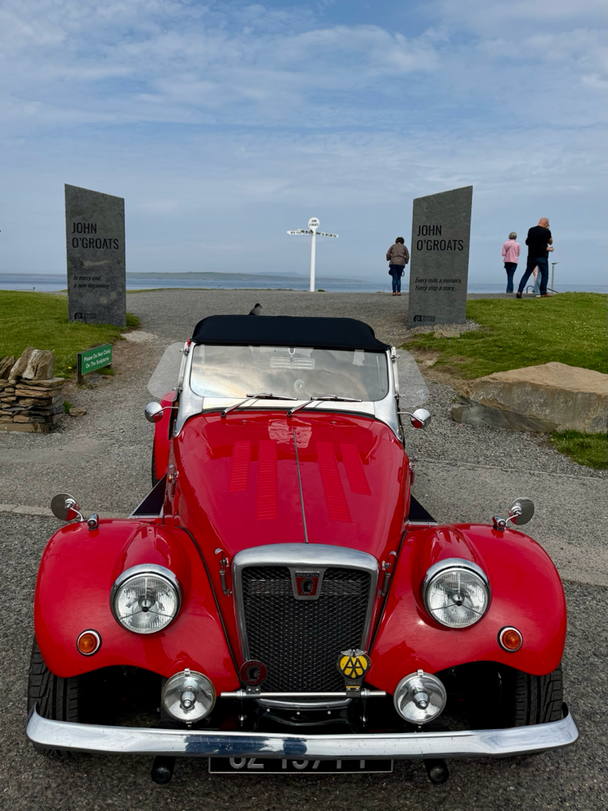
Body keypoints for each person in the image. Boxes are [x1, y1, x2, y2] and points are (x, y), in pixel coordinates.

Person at [516, 217, 554, 298]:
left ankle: (519, 291)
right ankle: (543, 292)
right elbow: (550, 242)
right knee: (544, 274)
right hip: (542, 256)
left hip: (531, 256)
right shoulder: (546, 232)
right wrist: (547, 232)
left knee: (527, 273)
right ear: (546, 224)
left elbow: (527, 242)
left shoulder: (531, 230)